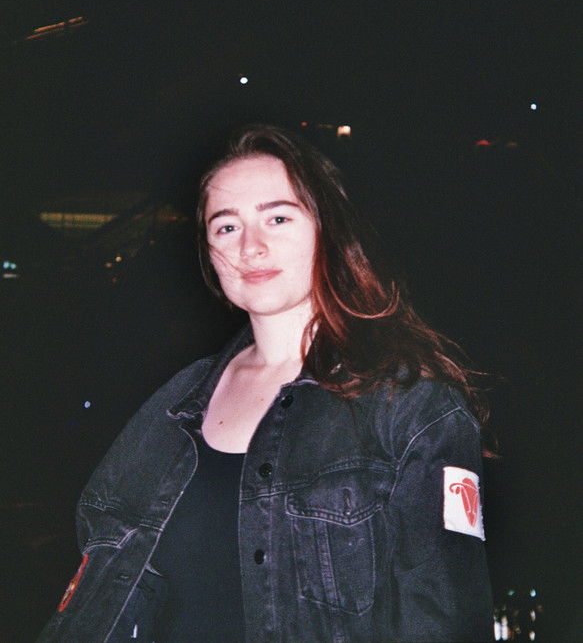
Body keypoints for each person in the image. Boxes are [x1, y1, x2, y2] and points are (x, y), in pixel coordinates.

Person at [38, 124, 494, 643]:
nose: (250, 247)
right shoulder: (175, 404)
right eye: (226, 226)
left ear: (328, 229)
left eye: (278, 218)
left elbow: (444, 617)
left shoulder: (410, 406)